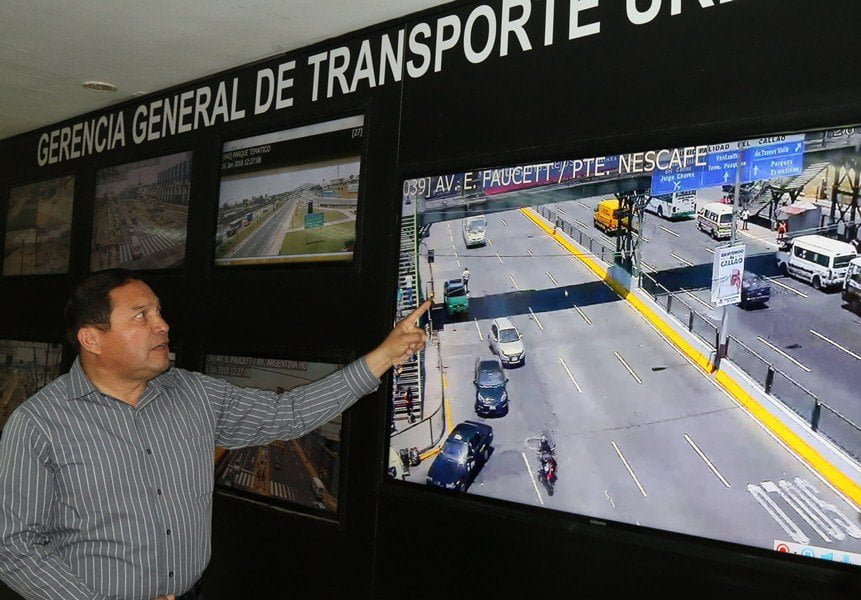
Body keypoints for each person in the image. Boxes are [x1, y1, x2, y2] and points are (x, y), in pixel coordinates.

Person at [0, 269, 430, 600]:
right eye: (141, 316)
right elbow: (15, 546)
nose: (162, 325)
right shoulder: (39, 425)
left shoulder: (193, 392)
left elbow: (289, 414)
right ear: (91, 338)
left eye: (159, 311)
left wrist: (384, 356)